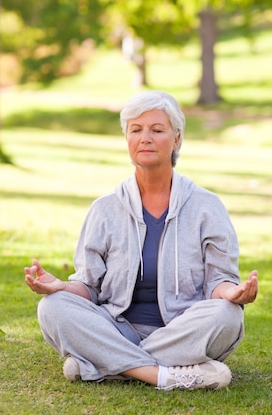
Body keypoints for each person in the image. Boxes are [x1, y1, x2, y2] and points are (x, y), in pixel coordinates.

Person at [24, 90, 258, 390]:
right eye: (136, 130)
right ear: (127, 139)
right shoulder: (105, 209)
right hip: (116, 328)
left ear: (176, 138)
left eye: (157, 130)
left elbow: (218, 281)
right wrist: (61, 287)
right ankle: (163, 374)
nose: (145, 137)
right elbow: (89, 286)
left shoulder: (207, 207)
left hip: (182, 330)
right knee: (52, 307)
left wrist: (234, 293)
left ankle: (100, 363)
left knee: (227, 315)